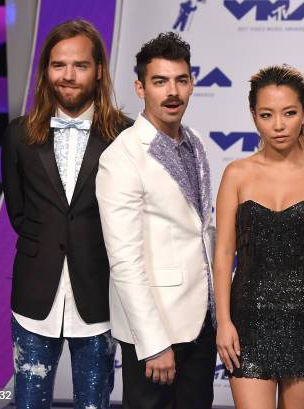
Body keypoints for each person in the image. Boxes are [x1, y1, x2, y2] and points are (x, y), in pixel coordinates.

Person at [1, 19, 130, 409]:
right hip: (34, 297)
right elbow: (19, 213)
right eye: (59, 65)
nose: (68, 75)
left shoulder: (126, 136)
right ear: (45, 71)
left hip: (100, 298)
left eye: (80, 65)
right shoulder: (18, 135)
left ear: (99, 71)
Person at [96, 32, 216, 409]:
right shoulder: (122, 157)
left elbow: (199, 230)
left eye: (181, 80)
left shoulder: (195, 141)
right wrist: (153, 344)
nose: (172, 92)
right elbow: (124, 261)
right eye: (160, 81)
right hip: (157, 333)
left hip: (200, 322)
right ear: (140, 87)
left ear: (192, 84)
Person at [214, 65, 304, 409]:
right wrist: (223, 321)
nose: (279, 125)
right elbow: (224, 254)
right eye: (266, 114)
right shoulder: (237, 174)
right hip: (248, 320)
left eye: (289, 113)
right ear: (254, 116)